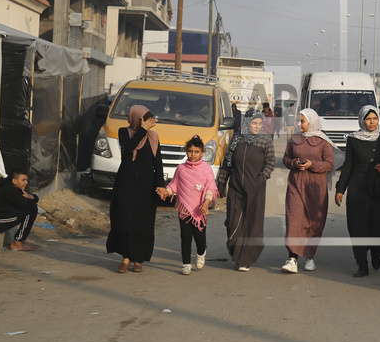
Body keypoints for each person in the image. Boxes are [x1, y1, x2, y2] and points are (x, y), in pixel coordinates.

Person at [334, 106, 380, 277]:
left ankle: (377, 253)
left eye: (374, 119)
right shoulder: (354, 139)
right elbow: (348, 165)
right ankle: (362, 264)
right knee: (358, 227)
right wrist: (340, 189)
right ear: (362, 120)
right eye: (368, 119)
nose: (372, 122)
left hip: (379, 190)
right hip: (357, 189)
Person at [107, 106, 164, 273]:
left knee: (142, 222)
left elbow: (157, 162)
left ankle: (139, 259)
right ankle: (125, 257)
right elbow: (128, 149)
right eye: (145, 120)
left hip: (146, 187)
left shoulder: (153, 137)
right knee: (124, 220)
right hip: (126, 184)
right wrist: (142, 130)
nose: (149, 123)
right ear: (137, 119)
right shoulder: (124, 132)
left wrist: (160, 184)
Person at [216, 110, 275, 271]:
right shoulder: (237, 138)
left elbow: (270, 164)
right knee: (233, 222)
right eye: (254, 123)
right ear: (247, 123)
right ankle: (237, 254)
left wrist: (259, 181)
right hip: (236, 188)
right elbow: (227, 163)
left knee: (251, 224)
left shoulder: (265, 141)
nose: (257, 126)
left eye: (260, 123)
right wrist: (221, 184)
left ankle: (246, 259)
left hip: (255, 190)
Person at [280, 108, 334, 273]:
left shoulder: (323, 141)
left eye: (302, 121)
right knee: (294, 218)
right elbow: (285, 158)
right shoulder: (294, 138)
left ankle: (310, 257)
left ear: (311, 122)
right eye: (298, 121)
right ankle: (292, 258)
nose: (298, 124)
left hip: (316, 185)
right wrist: (294, 164)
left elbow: (330, 164)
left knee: (313, 221)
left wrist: (313, 165)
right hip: (296, 183)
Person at [157, 135, 218, 275]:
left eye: (196, 152)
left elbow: (211, 188)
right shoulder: (181, 169)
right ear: (186, 151)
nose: (193, 154)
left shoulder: (206, 169)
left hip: (200, 210)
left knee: (199, 237)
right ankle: (186, 264)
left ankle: (201, 253)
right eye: (190, 151)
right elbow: (174, 186)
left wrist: (206, 202)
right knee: (185, 237)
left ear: (202, 153)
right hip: (184, 210)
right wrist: (165, 191)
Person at [0, 168, 39, 251]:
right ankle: (17, 242)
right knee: (30, 210)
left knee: (32, 208)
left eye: (26, 180)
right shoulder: (8, 189)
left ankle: (20, 241)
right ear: (14, 181)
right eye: (23, 180)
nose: (26, 182)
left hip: (2, 217)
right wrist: (31, 200)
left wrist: (32, 197)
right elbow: (26, 204)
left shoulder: (15, 188)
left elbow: (31, 198)